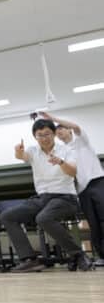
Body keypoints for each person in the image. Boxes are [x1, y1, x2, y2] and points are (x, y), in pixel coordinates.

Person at [0, 119, 93, 272]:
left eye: (47, 134)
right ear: (35, 137)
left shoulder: (67, 150)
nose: (44, 138)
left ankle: (78, 254)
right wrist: (18, 150)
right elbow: (21, 156)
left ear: (54, 134)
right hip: (42, 198)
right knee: (7, 216)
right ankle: (29, 259)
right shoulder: (33, 151)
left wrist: (61, 162)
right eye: (40, 135)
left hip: (65, 197)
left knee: (43, 218)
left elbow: (73, 172)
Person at [40, 112, 104, 266]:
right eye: (57, 131)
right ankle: (102, 256)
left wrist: (52, 119)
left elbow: (76, 126)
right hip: (82, 190)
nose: (59, 132)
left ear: (69, 130)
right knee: (93, 223)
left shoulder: (81, 141)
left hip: (97, 182)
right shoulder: (62, 151)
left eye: (62, 128)